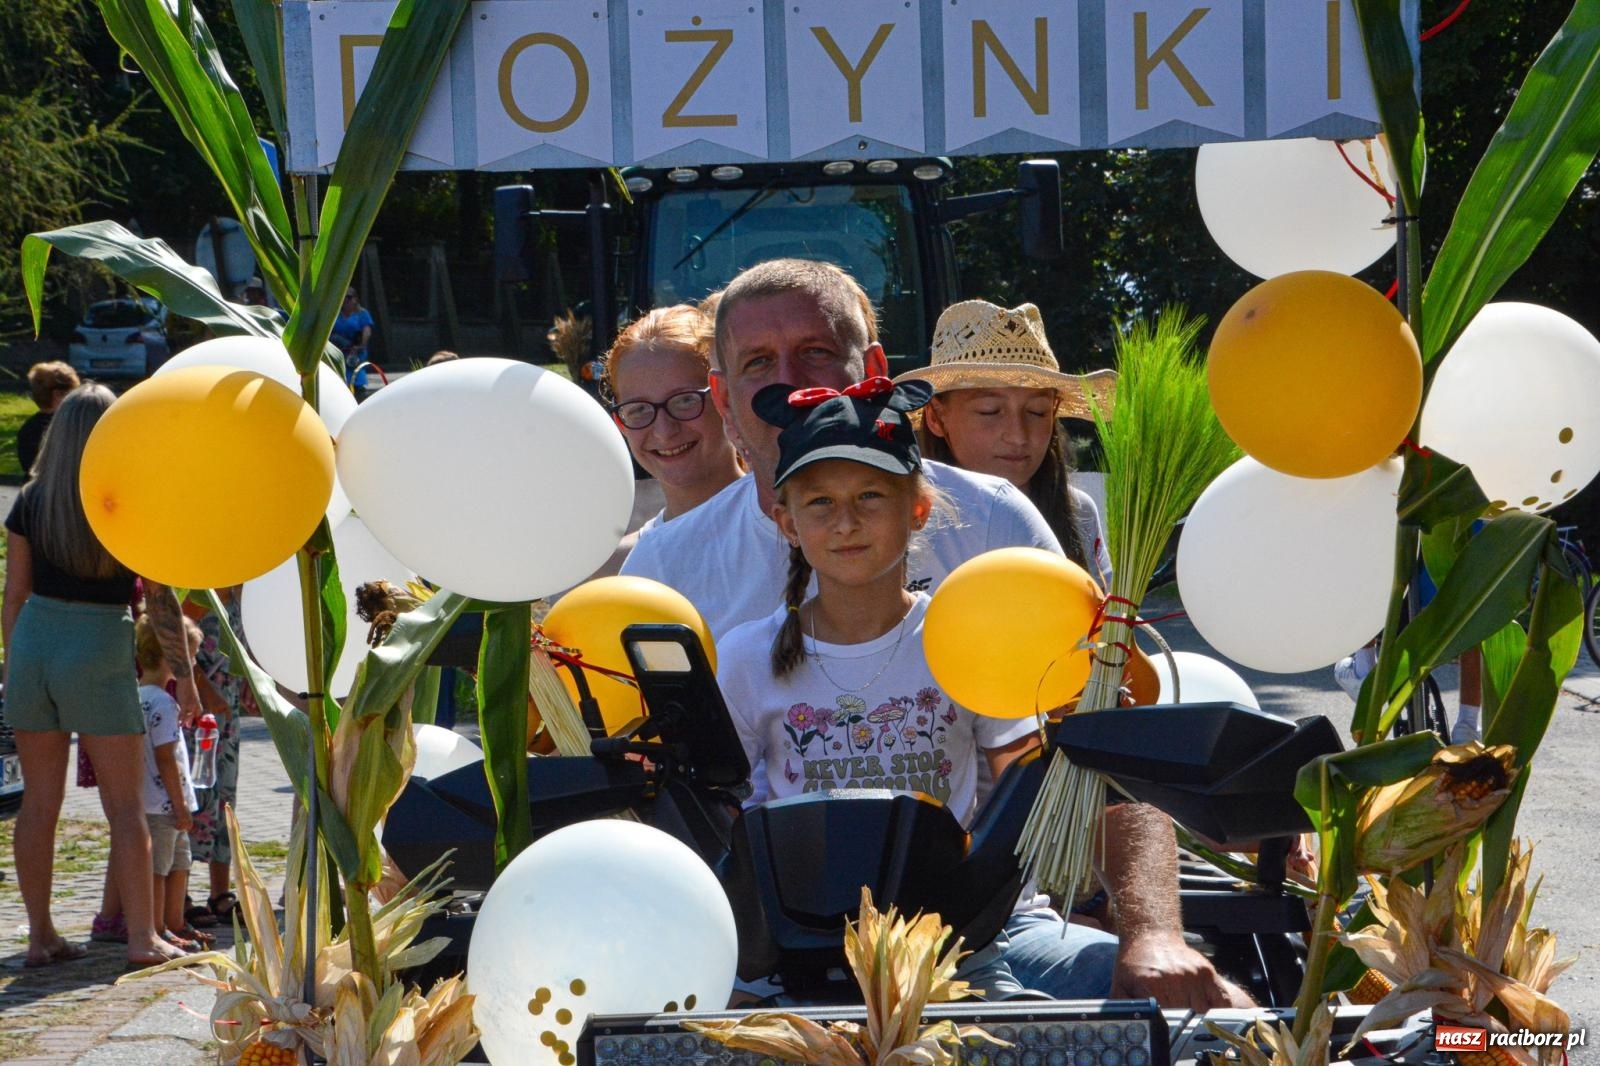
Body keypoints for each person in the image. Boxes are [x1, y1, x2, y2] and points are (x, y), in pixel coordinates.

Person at [621, 258, 1249, 1008]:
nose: (787, 381)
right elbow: (676, 803)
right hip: (764, 956)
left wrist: (1154, 934)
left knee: (1213, 1017)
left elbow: (1104, 739)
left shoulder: (993, 523)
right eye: (758, 363)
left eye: (817, 353)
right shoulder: (669, 565)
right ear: (722, 395)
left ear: (876, 370)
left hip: (991, 935)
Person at [718, 376, 1116, 998]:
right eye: (819, 502)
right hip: (799, 951)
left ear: (919, 509)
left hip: (956, 948)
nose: (846, 522)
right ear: (786, 520)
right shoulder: (748, 656)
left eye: (871, 496)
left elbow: (1022, 792)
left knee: (1079, 1002)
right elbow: (721, 814)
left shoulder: (962, 635)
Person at [3, 383, 198, 969]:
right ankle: (142, 938)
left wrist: (16, 667)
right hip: (99, 642)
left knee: (39, 803)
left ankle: (40, 937)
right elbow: (161, 602)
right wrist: (184, 678)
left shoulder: (30, 500)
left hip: (35, 641)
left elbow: (13, 596)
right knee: (124, 804)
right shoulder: (126, 498)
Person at [902, 300, 1115, 584]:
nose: (1018, 435)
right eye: (990, 411)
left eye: (1037, 412)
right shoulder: (900, 520)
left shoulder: (1079, 512)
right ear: (937, 418)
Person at [605, 302, 744, 533]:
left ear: (726, 398)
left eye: (685, 400)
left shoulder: (794, 529)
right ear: (621, 423)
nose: (664, 430)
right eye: (639, 409)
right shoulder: (629, 561)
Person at [133, 613, 208, 952]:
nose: (190, 663)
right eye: (188, 656)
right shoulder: (163, 702)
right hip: (165, 804)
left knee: (179, 863)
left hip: (152, 800)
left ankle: (176, 923)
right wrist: (180, 804)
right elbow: (166, 758)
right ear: (168, 656)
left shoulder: (139, 696)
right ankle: (161, 927)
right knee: (162, 869)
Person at [17, 361, 80, 475]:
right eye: (72, 393)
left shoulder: (28, 428)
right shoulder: (69, 427)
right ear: (58, 395)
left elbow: (27, 465)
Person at [333, 287, 376, 398]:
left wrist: (362, 345)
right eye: (343, 297)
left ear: (355, 299)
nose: (346, 301)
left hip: (355, 350)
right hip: (339, 349)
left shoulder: (362, 314)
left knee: (356, 377)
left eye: (349, 297)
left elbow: (367, 331)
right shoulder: (335, 313)